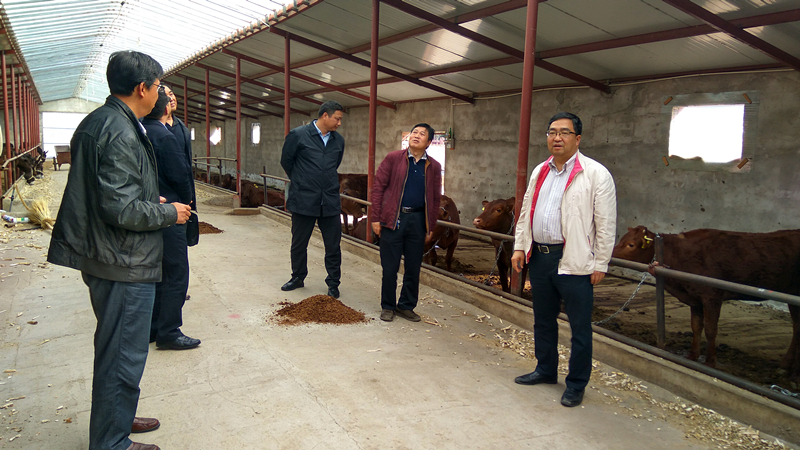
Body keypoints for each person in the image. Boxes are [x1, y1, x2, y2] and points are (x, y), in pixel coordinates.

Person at [47, 50, 191, 450]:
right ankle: (111, 442)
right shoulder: (120, 130)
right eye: (159, 85)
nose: (161, 93)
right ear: (142, 88)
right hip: (121, 259)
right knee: (122, 354)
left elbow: (113, 191)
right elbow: (121, 209)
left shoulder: (107, 121)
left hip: (110, 253)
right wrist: (169, 212)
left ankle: (118, 419)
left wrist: (148, 197)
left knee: (120, 350)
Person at [510, 112, 616, 408]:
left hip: (574, 260)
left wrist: (601, 263)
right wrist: (520, 246)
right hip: (540, 257)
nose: (557, 137)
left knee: (579, 327)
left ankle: (576, 384)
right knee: (543, 320)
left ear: (577, 139)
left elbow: (606, 223)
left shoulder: (595, 174)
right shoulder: (540, 170)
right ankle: (545, 369)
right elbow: (526, 211)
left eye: (564, 132)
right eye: (552, 132)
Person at [142, 90, 200, 350]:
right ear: (165, 108)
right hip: (171, 213)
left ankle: (153, 328)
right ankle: (169, 331)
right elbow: (181, 175)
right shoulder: (165, 136)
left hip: (147, 210)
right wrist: (186, 203)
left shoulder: (140, 131)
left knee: (157, 273)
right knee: (176, 273)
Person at [370, 123, 442, 322]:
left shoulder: (433, 166)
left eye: (422, 134)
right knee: (390, 267)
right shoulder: (393, 158)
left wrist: (431, 225)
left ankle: (406, 306)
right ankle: (388, 306)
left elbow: (435, 198)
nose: (416, 135)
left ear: (429, 142)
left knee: (413, 267)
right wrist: (375, 217)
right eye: (414, 132)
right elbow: (378, 188)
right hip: (393, 218)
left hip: (417, 220)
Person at [280, 100, 345, 299]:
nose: (339, 123)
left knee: (333, 245)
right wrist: (302, 180)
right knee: (299, 243)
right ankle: (298, 277)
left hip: (329, 200)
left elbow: (335, 164)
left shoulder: (338, 141)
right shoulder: (298, 135)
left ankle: (333, 283)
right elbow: (286, 161)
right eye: (337, 119)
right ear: (325, 115)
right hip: (304, 198)